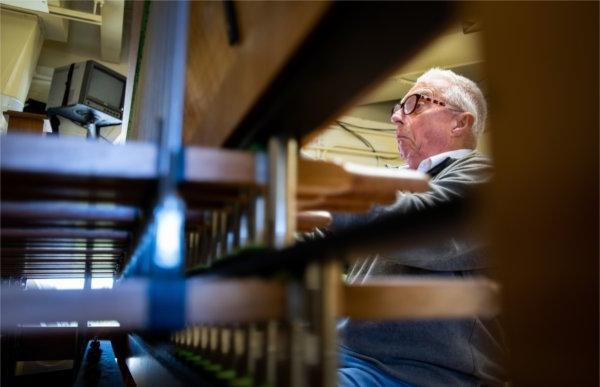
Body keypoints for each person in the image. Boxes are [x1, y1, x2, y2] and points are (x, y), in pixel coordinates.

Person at [332, 68, 507, 386]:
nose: (397, 118)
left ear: (460, 122)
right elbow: (328, 235)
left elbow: (422, 228)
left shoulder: (485, 177)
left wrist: (327, 188)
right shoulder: (403, 180)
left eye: (413, 103)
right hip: (348, 350)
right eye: (396, 109)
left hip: (417, 371)